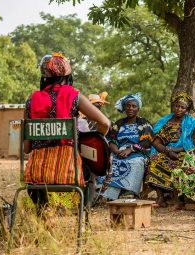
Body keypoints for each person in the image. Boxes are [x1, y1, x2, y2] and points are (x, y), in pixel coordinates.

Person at [24, 52, 110, 215]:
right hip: (69, 171)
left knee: (38, 171)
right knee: (90, 170)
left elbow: (26, 148)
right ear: (66, 74)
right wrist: (94, 140)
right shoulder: (75, 97)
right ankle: (84, 215)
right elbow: (105, 123)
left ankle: (45, 212)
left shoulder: (31, 101)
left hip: (36, 174)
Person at [147, 92, 195, 207]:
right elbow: (156, 141)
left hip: (185, 152)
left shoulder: (192, 123)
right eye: (177, 105)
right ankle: (160, 197)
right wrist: (168, 151)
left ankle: (179, 198)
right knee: (155, 159)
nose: (179, 109)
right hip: (166, 152)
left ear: (187, 109)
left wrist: (174, 151)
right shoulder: (165, 122)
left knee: (185, 161)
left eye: (182, 107)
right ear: (173, 105)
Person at [101, 93, 153, 200]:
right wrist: (117, 152)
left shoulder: (144, 123)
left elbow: (147, 142)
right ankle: (110, 194)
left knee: (135, 163)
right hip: (119, 152)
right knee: (110, 163)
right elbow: (112, 140)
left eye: (134, 106)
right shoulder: (119, 123)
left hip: (138, 153)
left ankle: (130, 191)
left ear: (138, 109)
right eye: (128, 106)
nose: (130, 108)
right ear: (124, 108)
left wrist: (130, 149)